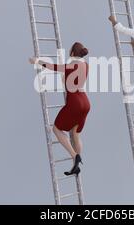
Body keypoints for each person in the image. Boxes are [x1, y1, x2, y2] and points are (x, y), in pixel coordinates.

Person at [29, 42, 91, 176]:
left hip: (74, 101)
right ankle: (76, 164)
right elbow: (70, 79)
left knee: (56, 129)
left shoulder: (72, 64)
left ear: (73, 53)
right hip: (85, 101)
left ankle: (75, 156)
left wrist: (37, 61)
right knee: (75, 133)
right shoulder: (85, 64)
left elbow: (54, 67)